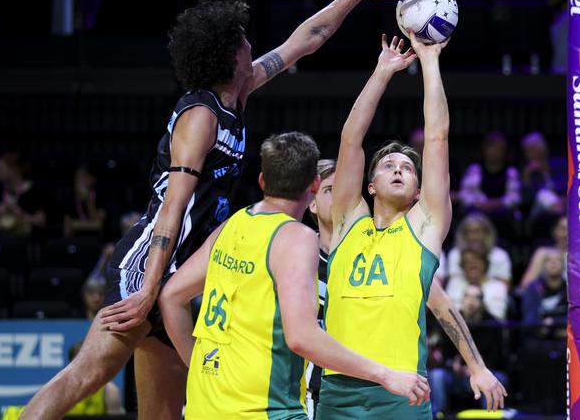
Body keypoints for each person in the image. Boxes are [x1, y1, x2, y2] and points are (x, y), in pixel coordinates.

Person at [20, 0, 422, 420]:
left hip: (184, 265)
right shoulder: (200, 116)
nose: (252, 44)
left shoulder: (241, 89)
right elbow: (173, 206)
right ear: (229, 53)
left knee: (165, 411)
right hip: (150, 260)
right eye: (244, 40)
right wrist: (150, 288)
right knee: (86, 374)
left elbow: (305, 40)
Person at [159, 132, 429, 419]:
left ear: (262, 180)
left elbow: (171, 297)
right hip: (265, 409)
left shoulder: (233, 224)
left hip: (205, 406)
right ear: (314, 186)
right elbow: (301, 337)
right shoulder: (297, 238)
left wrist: (198, 366)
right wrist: (385, 374)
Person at [319, 30, 505, 419]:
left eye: (407, 167)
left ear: (419, 192)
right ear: (370, 187)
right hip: (338, 390)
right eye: (388, 165)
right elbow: (351, 140)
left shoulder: (423, 228)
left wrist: (430, 59)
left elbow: (437, 137)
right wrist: (382, 71)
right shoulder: (347, 222)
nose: (399, 169)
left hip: (405, 391)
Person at [307, 160, 506, 417]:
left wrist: (478, 367)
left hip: (367, 389)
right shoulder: (299, 253)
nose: (341, 193)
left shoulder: (381, 246)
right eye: (330, 189)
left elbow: (443, 307)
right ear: (311, 201)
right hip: (306, 387)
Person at [429, 285, 508, 413]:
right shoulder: (451, 321)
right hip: (456, 376)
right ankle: (438, 414)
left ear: (482, 302)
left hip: (484, 372)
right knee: (437, 376)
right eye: (467, 297)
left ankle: (490, 415)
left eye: (476, 298)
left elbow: (498, 358)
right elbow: (444, 354)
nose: (471, 301)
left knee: (499, 378)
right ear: (462, 299)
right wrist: (453, 366)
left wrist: (476, 369)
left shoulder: (492, 324)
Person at [443, 212, 512, 287]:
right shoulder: (455, 254)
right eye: (469, 232)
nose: (473, 236)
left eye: (477, 231)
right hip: (461, 295)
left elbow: (505, 285)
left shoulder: (500, 255)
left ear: (486, 233)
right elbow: (453, 284)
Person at [0, 153, 46, 237]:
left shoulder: (35, 191)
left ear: (14, 170)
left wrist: (20, 214)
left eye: (1, 169)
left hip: (25, 240)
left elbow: (41, 222)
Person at [446, 244, 509, 320]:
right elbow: (448, 315)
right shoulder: (454, 284)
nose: (473, 264)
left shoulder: (498, 287)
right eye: (468, 261)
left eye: (477, 260)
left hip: (488, 329)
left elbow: (498, 316)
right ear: (462, 265)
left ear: (485, 264)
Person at [519, 215, 567, 289]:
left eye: (571, 229)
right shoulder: (543, 253)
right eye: (563, 229)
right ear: (554, 231)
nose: (566, 234)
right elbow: (525, 286)